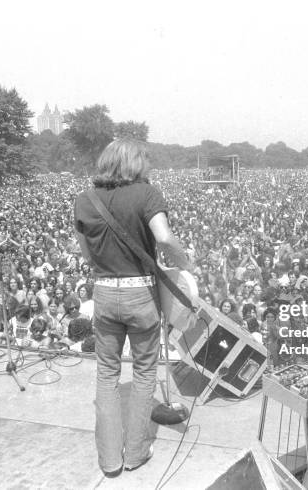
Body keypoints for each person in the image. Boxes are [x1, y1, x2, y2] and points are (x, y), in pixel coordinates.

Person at [73, 139, 191, 478]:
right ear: (135, 165)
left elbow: (86, 253)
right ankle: (136, 453)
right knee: (143, 374)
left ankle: (109, 460)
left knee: (106, 376)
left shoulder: (85, 200)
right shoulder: (146, 193)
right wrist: (185, 263)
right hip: (141, 293)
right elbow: (165, 238)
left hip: (105, 294)